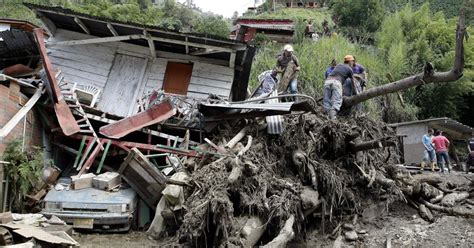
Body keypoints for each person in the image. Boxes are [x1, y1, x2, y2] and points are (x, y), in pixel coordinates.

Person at [323, 55, 355, 119]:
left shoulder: (339, 65)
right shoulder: (350, 69)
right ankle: (332, 121)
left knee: (327, 102)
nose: (353, 63)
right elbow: (353, 83)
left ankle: (325, 120)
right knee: (336, 103)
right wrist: (356, 93)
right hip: (337, 83)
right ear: (350, 62)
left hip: (327, 82)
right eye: (353, 62)